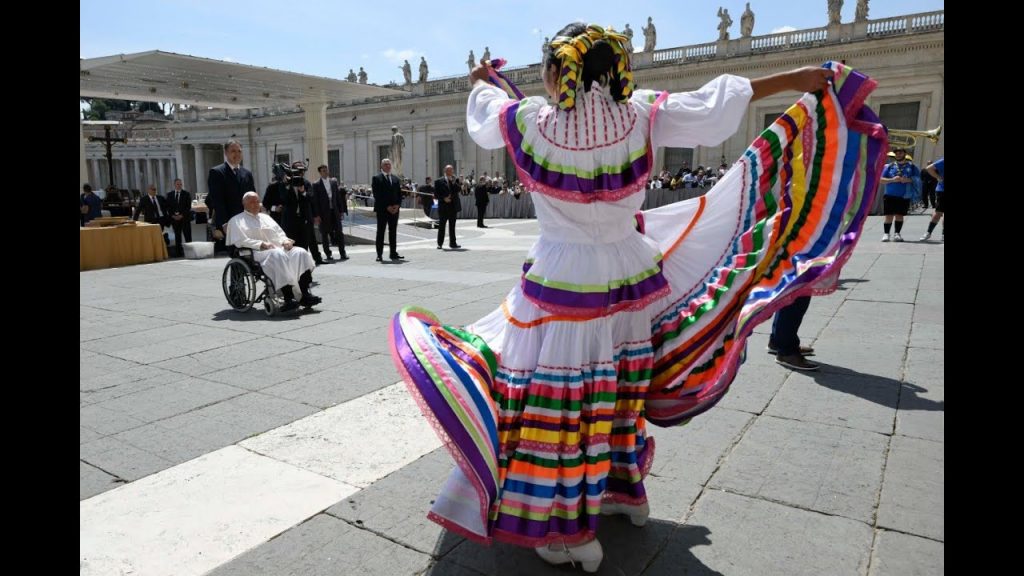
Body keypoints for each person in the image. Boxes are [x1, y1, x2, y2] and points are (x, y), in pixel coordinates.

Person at [390, 22, 882, 573]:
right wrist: (804, 77)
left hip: (563, 280)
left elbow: (487, 115)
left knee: (561, 400)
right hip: (628, 274)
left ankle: (566, 529)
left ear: (558, 72)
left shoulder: (528, 121)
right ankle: (625, 494)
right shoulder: (642, 112)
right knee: (617, 386)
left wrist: (482, 80)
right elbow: (715, 102)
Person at [226, 192, 320, 312]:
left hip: (277, 249)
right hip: (255, 253)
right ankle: (288, 297)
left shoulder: (266, 217)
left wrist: (285, 241)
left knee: (300, 252)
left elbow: (279, 233)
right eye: (251, 202)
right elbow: (240, 240)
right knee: (278, 254)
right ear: (244, 203)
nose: (255, 204)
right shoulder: (236, 220)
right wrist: (261, 244)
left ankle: (304, 293)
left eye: (257, 201)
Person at [207, 140, 255, 249]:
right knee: (237, 253)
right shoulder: (217, 172)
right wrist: (224, 223)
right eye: (233, 151)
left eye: (239, 151)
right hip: (230, 222)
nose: (237, 154)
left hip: (247, 221)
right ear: (226, 153)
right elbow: (217, 200)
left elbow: (252, 196)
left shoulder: (247, 173)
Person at [878, 147, 920, 242]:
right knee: (888, 215)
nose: (898, 154)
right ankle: (886, 234)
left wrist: (908, 180)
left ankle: (897, 234)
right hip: (890, 195)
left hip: (904, 195)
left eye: (900, 153)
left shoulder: (912, 167)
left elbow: (918, 180)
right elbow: (881, 180)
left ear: (905, 154)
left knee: (899, 215)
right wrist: (892, 180)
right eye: (896, 153)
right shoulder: (889, 166)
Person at [312, 164, 348, 261]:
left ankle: (343, 253)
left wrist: (341, 211)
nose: (326, 172)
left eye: (326, 170)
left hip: (335, 211)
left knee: (339, 232)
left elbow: (338, 198)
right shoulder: (316, 184)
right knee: (325, 233)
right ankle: (328, 254)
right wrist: (317, 215)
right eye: (323, 170)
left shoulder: (333, 182)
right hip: (323, 213)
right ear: (320, 172)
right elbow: (315, 201)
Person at [372, 158, 404, 262]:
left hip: (395, 210)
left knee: (393, 231)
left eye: (389, 164)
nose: (388, 166)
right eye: (385, 164)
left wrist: (397, 205)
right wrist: (387, 206)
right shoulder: (377, 178)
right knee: (381, 232)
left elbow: (399, 194)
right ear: (381, 166)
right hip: (383, 209)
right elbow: (377, 195)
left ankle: (393, 253)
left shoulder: (395, 178)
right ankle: (379, 254)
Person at [434, 165, 462, 249]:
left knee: (452, 226)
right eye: (449, 170)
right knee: (442, 226)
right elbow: (436, 195)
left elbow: (458, 189)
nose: (451, 172)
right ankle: (440, 243)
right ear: (445, 171)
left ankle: (453, 243)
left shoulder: (455, 180)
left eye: (452, 170)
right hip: (443, 207)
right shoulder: (438, 181)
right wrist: (444, 198)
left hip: (453, 206)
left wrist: (453, 182)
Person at [167, 178, 193, 257]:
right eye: (178, 184)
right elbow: (168, 207)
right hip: (175, 219)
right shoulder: (170, 195)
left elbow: (188, 206)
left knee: (187, 236)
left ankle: (190, 252)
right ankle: (178, 253)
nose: (179, 186)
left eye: (180, 184)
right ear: (174, 185)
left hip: (184, 218)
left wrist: (182, 215)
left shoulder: (186, 194)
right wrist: (173, 216)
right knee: (177, 236)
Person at [920, 157, 944, 241]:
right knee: (938, 212)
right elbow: (929, 168)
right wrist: (938, 177)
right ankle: (928, 232)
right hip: (942, 190)